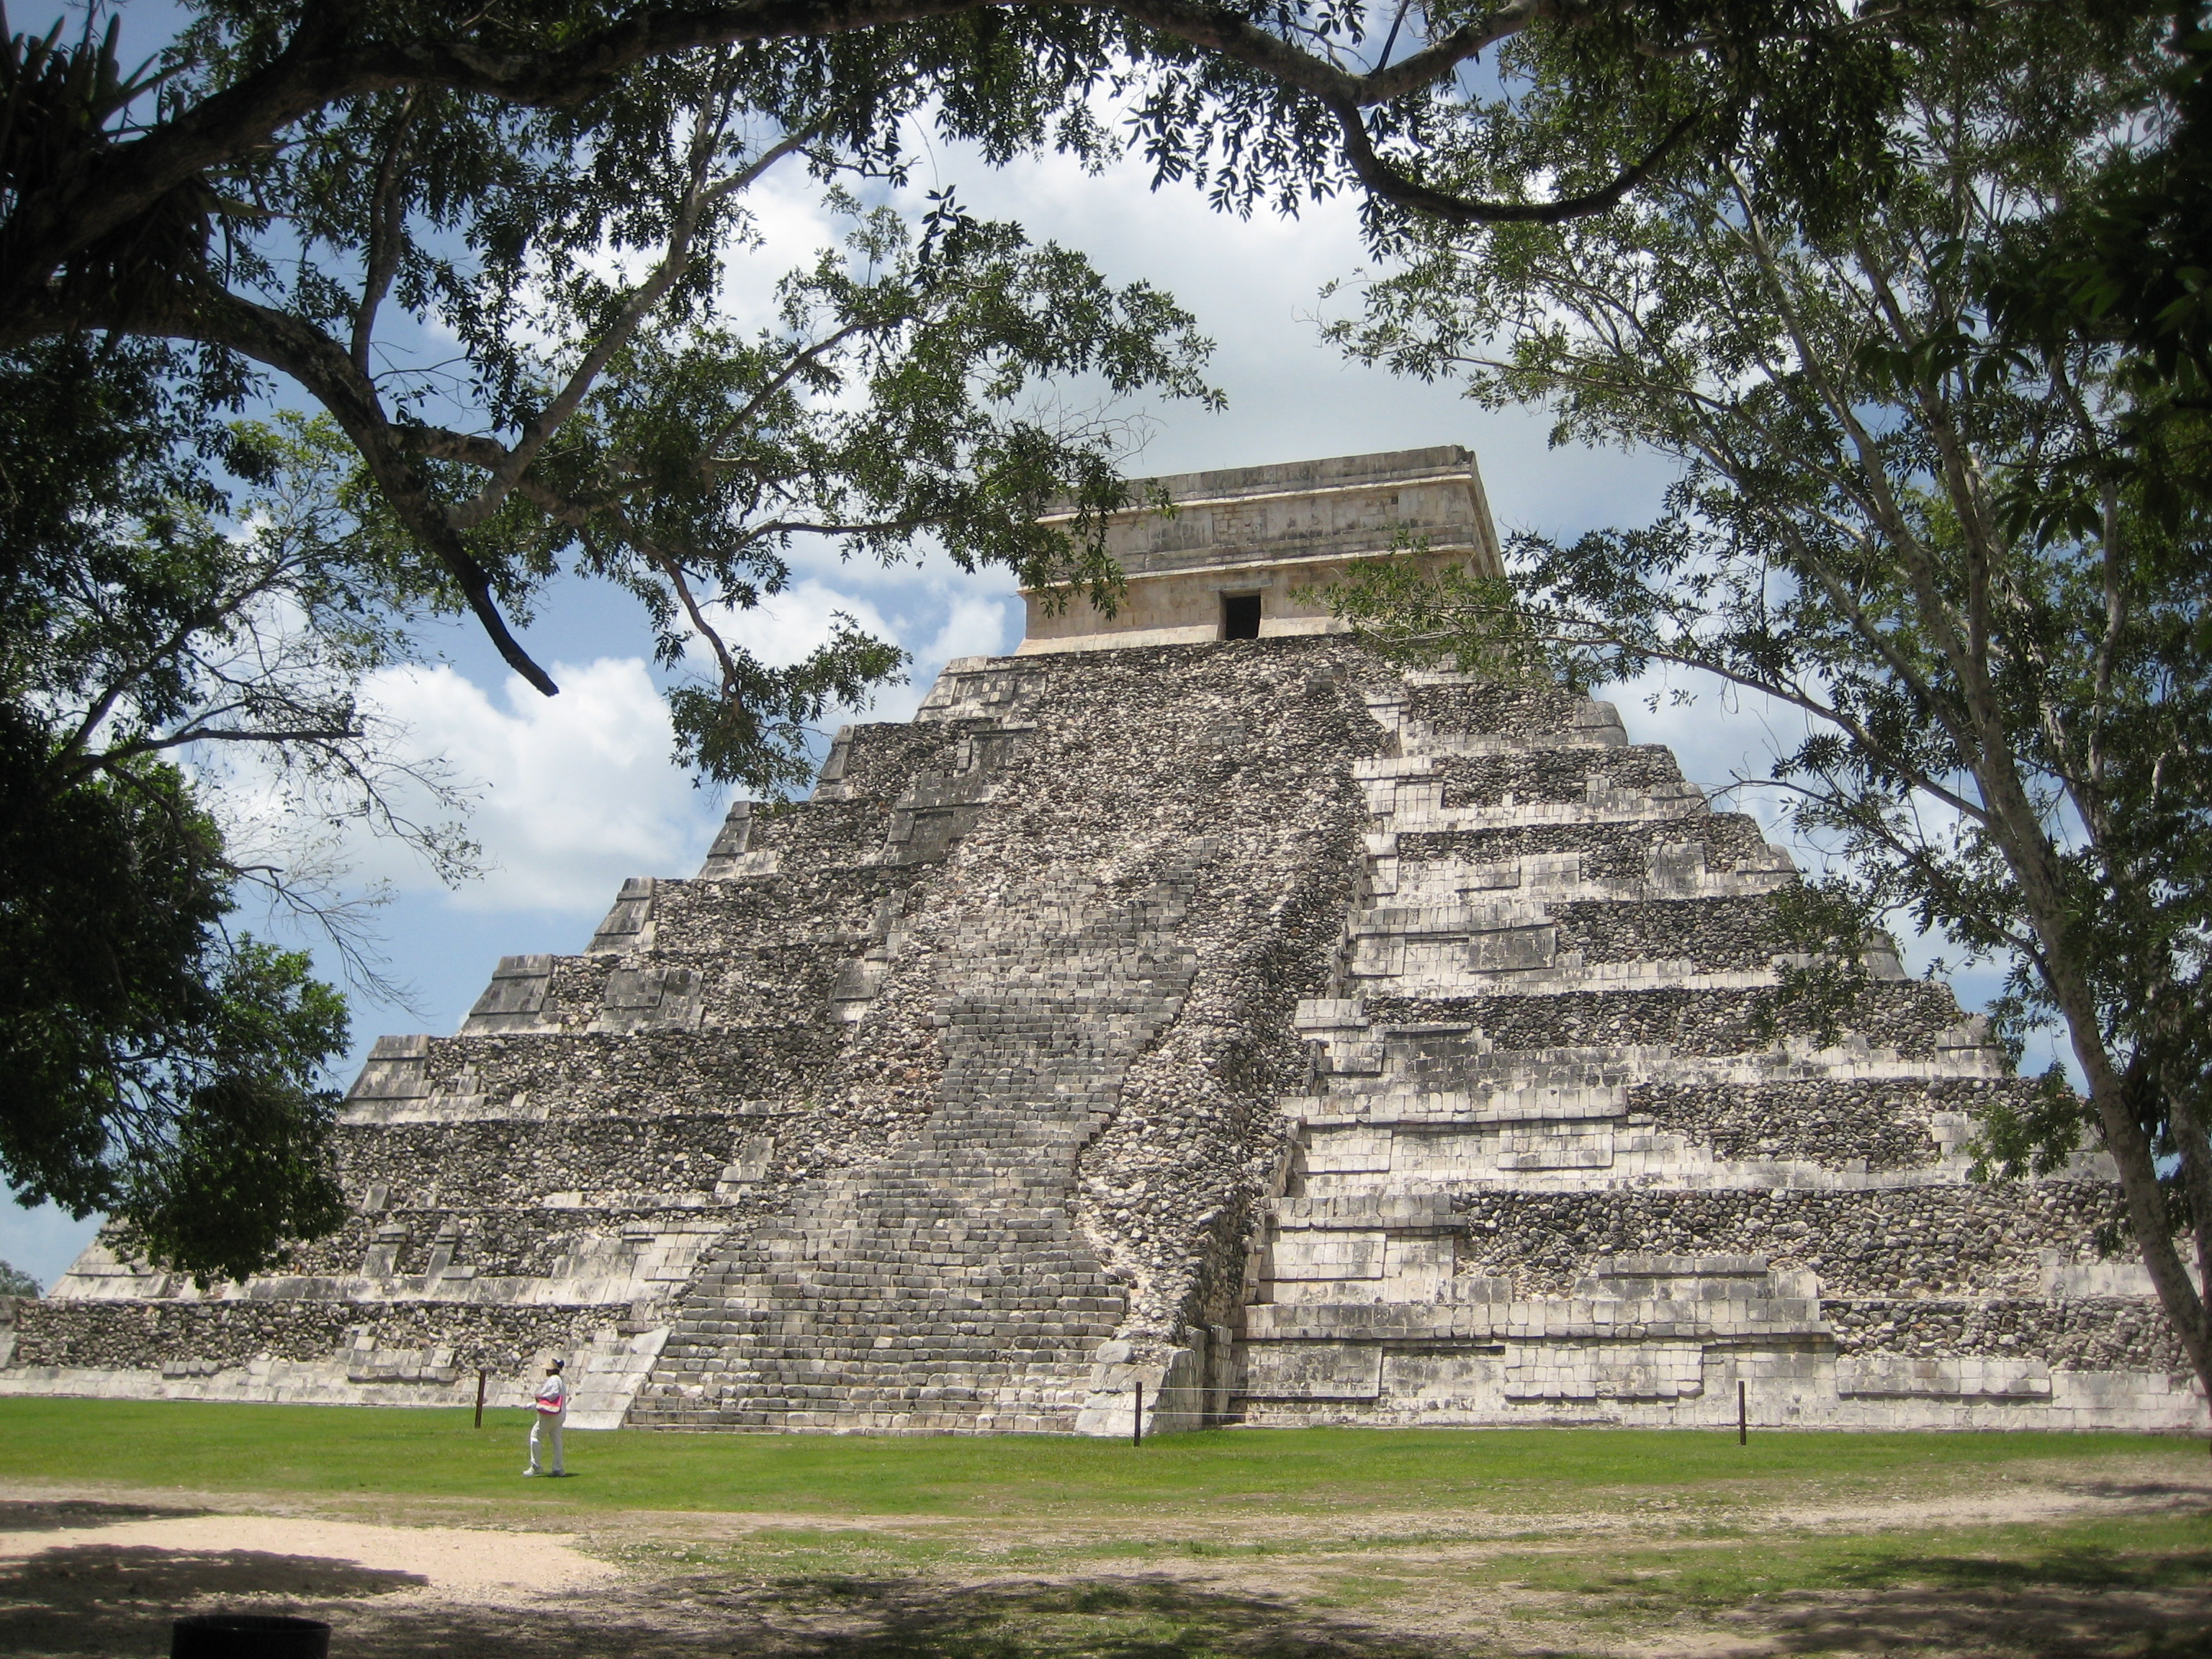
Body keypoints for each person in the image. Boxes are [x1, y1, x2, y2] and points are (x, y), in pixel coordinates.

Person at [525, 1359, 567, 1476]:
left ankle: (536, 1466)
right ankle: (558, 1468)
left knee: (535, 1435)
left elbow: (553, 1395)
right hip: (560, 1414)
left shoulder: (554, 1380)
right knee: (556, 1441)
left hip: (551, 1415)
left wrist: (541, 1396)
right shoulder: (560, 1381)